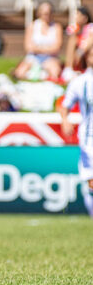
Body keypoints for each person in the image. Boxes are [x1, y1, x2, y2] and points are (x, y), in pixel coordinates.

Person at [59, 45, 93, 219]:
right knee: (92, 182)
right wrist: (65, 121)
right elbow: (64, 106)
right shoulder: (81, 82)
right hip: (89, 139)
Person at [13, 1, 63, 81]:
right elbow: (28, 47)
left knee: (54, 73)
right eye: (45, 14)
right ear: (39, 13)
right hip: (34, 57)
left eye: (49, 13)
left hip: (50, 58)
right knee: (20, 73)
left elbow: (57, 47)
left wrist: (38, 48)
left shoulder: (56, 27)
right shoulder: (32, 26)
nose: (47, 16)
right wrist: (47, 48)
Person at [63, 6, 93, 78]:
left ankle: (89, 69)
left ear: (85, 18)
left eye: (78, 15)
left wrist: (80, 52)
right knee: (72, 41)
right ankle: (69, 69)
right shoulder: (74, 28)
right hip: (77, 56)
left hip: (85, 52)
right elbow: (70, 36)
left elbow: (90, 41)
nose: (76, 17)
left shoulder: (90, 27)